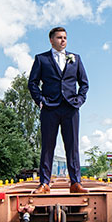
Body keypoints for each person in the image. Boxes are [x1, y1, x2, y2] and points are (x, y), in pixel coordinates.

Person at [28, 26, 89, 194]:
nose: (63, 40)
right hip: (49, 109)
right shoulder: (42, 59)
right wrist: (40, 100)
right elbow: (32, 83)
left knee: (73, 146)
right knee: (47, 146)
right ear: (51, 40)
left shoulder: (75, 58)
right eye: (59, 37)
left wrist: (79, 100)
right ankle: (44, 183)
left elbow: (84, 83)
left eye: (65, 38)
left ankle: (76, 183)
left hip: (71, 108)